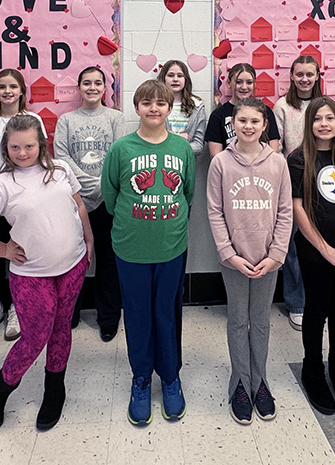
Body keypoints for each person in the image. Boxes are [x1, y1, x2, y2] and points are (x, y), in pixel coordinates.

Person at [0, 114, 93, 432]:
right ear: (6, 149)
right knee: (35, 337)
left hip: (73, 264)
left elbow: (78, 206)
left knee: (62, 328)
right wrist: (5, 250)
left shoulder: (60, 169)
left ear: (41, 144)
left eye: (29, 146)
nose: (23, 153)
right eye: (15, 147)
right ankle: (0, 386)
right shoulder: (1, 184)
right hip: (32, 274)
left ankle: (54, 388)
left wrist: (90, 241)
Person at [101, 79, 195, 426]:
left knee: (166, 315)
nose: (153, 108)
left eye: (161, 103)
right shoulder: (121, 149)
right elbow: (110, 196)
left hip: (171, 246)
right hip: (130, 247)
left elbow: (187, 193)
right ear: (137, 107)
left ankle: (170, 377)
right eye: (146, 102)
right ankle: (141, 378)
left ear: (170, 109)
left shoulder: (181, 148)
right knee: (138, 316)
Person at [207, 97, 293, 424]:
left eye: (254, 121)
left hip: (268, 258)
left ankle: (260, 381)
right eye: (241, 120)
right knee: (237, 320)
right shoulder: (221, 164)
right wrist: (228, 254)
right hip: (235, 259)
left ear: (264, 125)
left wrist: (276, 255)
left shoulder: (278, 163)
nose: (248, 126)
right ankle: (240, 382)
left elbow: (285, 212)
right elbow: (214, 211)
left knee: (260, 320)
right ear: (233, 124)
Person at [287, 96, 335, 416]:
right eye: (317, 118)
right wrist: (324, 248)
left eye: (330, 118)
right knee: (317, 310)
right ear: (310, 124)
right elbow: (297, 209)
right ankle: (313, 369)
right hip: (316, 252)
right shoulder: (298, 160)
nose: (324, 123)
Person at [0, 68, 47, 344]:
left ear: (22, 91)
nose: (7, 91)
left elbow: (41, 157)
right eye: (2, 87)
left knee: (20, 255)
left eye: (13, 86)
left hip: (25, 200)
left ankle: (18, 308)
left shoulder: (34, 120)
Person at [54, 66, 126, 342]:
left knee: (108, 260)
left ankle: (108, 318)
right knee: (75, 258)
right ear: (79, 88)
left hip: (108, 200)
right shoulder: (67, 120)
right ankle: (70, 314)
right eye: (87, 83)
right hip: (75, 199)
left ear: (105, 88)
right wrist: (84, 183)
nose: (92, 87)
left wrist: (102, 185)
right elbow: (61, 157)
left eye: (98, 83)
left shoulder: (116, 118)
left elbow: (118, 154)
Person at [273, 56, 324, 331]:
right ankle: (297, 303)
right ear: (291, 76)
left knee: (322, 243)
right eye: (300, 74)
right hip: (292, 182)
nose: (305, 79)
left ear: (318, 76)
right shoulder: (282, 106)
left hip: (324, 181)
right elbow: (276, 146)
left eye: (310, 74)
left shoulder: (324, 105)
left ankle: (321, 301)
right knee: (293, 245)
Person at [205, 63, 281, 157]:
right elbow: (216, 157)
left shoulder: (266, 111)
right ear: (229, 83)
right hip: (230, 170)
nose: (244, 87)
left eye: (249, 82)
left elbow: (274, 150)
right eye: (238, 82)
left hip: (262, 168)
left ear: (254, 84)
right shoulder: (218, 115)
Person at [160, 60, 207, 155]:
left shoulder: (197, 106)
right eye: (170, 75)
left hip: (186, 165)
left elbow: (198, 146)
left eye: (180, 75)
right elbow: (148, 139)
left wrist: (168, 145)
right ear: (163, 78)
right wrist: (178, 139)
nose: (175, 79)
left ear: (186, 79)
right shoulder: (154, 105)